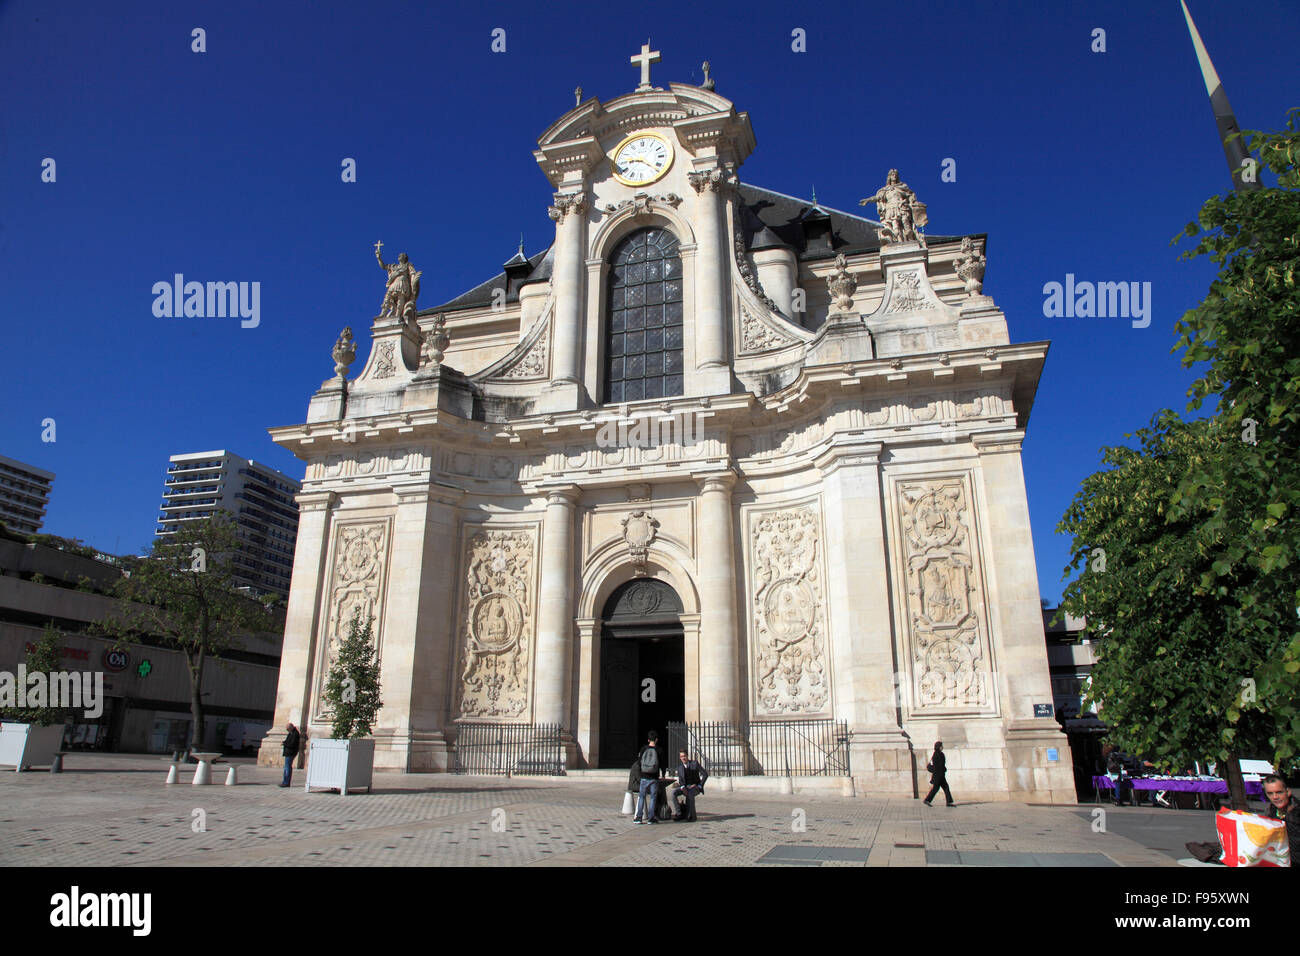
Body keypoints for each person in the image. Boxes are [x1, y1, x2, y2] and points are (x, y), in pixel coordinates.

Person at [1261, 773, 1299, 861]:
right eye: (1270, 793)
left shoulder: (1297, 813)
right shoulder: (1269, 814)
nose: (1275, 797)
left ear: (1288, 792)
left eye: (1279, 792)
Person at [633, 730, 663, 824]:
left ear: (648, 739)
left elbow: (639, 762)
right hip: (654, 777)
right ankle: (651, 818)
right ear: (657, 740)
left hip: (644, 776)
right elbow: (662, 763)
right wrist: (664, 773)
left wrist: (640, 773)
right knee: (653, 797)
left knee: (641, 797)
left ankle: (638, 817)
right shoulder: (659, 750)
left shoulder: (643, 749)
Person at [672, 749, 708, 822]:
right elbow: (681, 781)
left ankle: (692, 816)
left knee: (690, 794)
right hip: (685, 787)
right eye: (681, 756)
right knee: (673, 793)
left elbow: (705, 774)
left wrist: (699, 785)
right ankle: (679, 813)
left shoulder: (694, 763)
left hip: (695, 787)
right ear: (680, 758)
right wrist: (682, 787)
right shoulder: (680, 768)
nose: (683, 758)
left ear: (687, 756)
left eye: (684, 756)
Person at [923, 741, 954, 806]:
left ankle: (948, 802)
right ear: (938, 747)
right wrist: (943, 769)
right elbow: (937, 765)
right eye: (941, 746)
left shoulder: (940, 754)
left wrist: (944, 769)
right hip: (938, 776)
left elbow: (941, 765)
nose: (942, 747)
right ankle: (927, 800)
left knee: (945, 787)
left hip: (940, 775)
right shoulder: (937, 754)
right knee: (937, 788)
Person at [279, 722, 300, 788]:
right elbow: (288, 741)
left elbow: (292, 744)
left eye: (288, 729)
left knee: (287, 768)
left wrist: (285, 744)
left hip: (291, 752)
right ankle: (285, 781)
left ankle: (286, 782)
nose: (287, 730)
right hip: (288, 752)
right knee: (287, 767)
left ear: (291, 728)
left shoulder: (295, 734)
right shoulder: (291, 733)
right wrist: (284, 742)